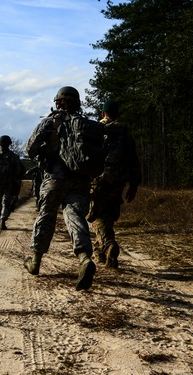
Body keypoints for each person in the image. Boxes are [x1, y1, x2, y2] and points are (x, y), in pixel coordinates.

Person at [23, 86, 97, 291]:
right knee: (75, 217)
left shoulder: (50, 122)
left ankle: (35, 262)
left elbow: (29, 149)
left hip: (54, 178)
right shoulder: (85, 124)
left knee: (46, 216)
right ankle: (84, 259)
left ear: (57, 102)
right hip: (81, 180)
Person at [88, 99, 142, 269]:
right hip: (118, 183)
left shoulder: (96, 131)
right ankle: (103, 256)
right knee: (109, 216)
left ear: (103, 113)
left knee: (96, 216)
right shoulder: (125, 134)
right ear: (117, 114)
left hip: (97, 182)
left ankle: (109, 245)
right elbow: (134, 162)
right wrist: (133, 186)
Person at [0, 135, 25, 230]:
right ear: (9, 144)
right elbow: (18, 170)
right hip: (9, 183)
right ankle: (3, 221)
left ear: (0, 144)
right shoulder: (13, 156)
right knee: (6, 202)